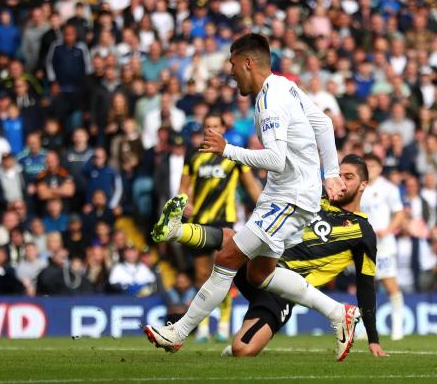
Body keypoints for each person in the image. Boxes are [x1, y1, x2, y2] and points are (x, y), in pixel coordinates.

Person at [144, 33, 357, 361]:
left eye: (232, 63)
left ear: (247, 62)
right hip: (284, 193)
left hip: (291, 197)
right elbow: (324, 123)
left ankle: (178, 332)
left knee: (227, 257)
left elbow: (275, 158)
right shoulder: (283, 86)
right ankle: (337, 313)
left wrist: (226, 149)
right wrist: (329, 172)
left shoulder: (272, 100)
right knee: (260, 273)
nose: (230, 71)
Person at [222, 155, 385, 358]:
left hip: (282, 291)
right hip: (258, 264)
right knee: (227, 236)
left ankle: (241, 337)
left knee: (241, 350)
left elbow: (366, 285)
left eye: (348, 177)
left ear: (363, 185)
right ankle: (178, 232)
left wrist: (373, 339)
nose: (340, 182)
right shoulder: (314, 197)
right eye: (337, 175)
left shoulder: (363, 232)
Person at [181, 113, 262, 342]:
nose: (211, 130)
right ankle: (204, 327)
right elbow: (184, 187)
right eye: (208, 126)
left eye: (215, 126)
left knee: (223, 274)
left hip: (224, 223)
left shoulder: (233, 156)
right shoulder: (193, 157)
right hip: (199, 223)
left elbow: (251, 187)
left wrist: (266, 206)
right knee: (201, 275)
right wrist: (185, 202)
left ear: (223, 129)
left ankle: (224, 325)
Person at [360, 153, 406, 341]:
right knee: (366, 286)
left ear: (380, 168)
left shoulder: (389, 189)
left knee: (389, 284)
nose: (370, 169)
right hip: (363, 244)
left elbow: (400, 214)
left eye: (373, 166)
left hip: (384, 245)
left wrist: (388, 230)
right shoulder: (359, 188)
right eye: (367, 166)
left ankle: (397, 327)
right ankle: (366, 328)